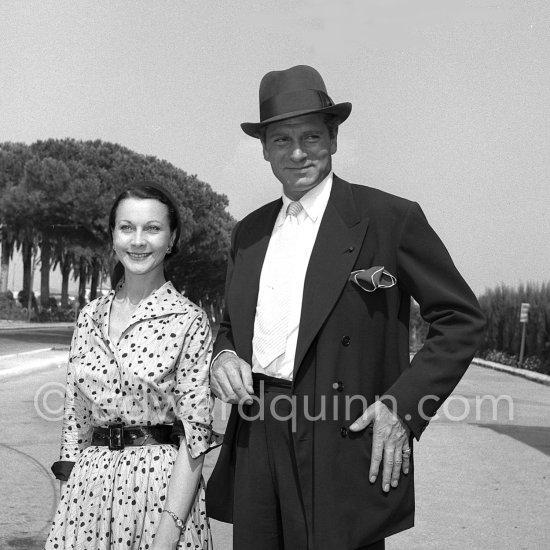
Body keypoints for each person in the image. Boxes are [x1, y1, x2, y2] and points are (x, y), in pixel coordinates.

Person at [205, 65, 486, 550]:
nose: (297, 153)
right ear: (265, 150)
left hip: (340, 430)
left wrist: (402, 409)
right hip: (257, 432)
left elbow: (461, 320)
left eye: (311, 136)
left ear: (333, 139)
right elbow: (231, 326)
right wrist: (223, 356)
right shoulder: (246, 233)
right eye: (282, 140)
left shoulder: (389, 219)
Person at [46, 182, 216, 550]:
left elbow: (195, 437)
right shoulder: (89, 317)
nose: (138, 240)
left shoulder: (189, 320)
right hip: (87, 496)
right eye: (127, 228)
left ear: (171, 240)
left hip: (159, 495)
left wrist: (167, 535)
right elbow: (75, 423)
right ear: (112, 237)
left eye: (152, 228)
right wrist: (67, 508)